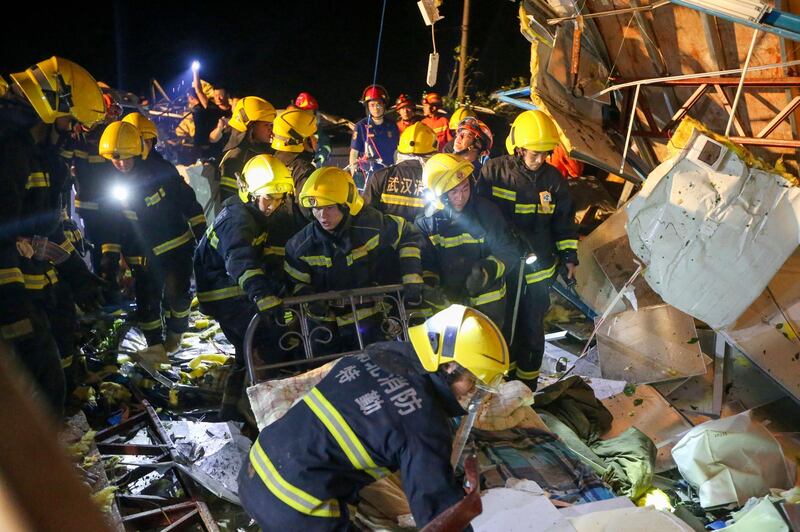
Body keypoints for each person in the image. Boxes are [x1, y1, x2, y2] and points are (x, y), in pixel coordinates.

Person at [238, 303, 509, 530]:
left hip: (253, 472)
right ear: (449, 365)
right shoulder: (424, 424)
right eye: (473, 380)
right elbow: (440, 515)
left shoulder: (372, 355)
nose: (473, 390)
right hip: (296, 509)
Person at [2, 56, 107, 415]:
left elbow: (47, 230)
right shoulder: (9, 154)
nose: (75, 130)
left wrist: (76, 274)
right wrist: (12, 304)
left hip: (32, 283)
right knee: (41, 382)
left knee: (58, 361)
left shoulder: (45, 159)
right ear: (49, 108)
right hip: (10, 292)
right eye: (71, 120)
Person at [194, 154, 305, 419]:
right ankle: (264, 413)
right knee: (261, 344)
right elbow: (239, 263)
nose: (272, 205)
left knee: (245, 352)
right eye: (267, 197)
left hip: (231, 290)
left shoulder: (252, 212)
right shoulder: (238, 220)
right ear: (249, 192)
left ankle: (230, 411)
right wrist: (263, 296)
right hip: (226, 293)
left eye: (278, 198)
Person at [478, 110, 579, 391]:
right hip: (503, 267)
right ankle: (502, 385)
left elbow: (564, 222)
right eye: (535, 153)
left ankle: (526, 390)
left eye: (545, 153)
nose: (541, 159)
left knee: (532, 332)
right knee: (501, 328)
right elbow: (480, 215)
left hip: (538, 270)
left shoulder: (553, 179)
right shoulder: (493, 172)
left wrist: (569, 257)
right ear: (519, 148)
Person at [284, 167, 425, 352]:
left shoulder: (372, 225)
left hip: (372, 324)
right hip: (325, 332)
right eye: (317, 208)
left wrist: (411, 278)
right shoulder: (300, 246)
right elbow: (295, 284)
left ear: (346, 205)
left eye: (329, 207)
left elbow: (408, 234)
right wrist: (310, 299)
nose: (323, 216)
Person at [99, 121, 206, 356]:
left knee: (177, 297)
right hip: (141, 256)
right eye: (116, 159)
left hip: (175, 249)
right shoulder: (111, 182)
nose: (121, 164)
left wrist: (202, 235)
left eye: (126, 158)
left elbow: (188, 202)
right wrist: (110, 255)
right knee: (147, 303)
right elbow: (112, 224)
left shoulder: (160, 171)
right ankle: (155, 348)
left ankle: (175, 335)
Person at [416, 153, 520, 328]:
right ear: (437, 194)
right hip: (446, 310)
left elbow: (509, 251)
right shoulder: (427, 223)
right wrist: (432, 287)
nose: (461, 197)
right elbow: (426, 263)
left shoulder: (487, 212)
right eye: (453, 192)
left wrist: (488, 270)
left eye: (465, 188)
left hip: (488, 307)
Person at [362, 122, 437, 222]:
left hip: (385, 236)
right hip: (421, 236)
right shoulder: (435, 180)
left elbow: (365, 215)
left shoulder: (381, 176)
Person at [218, 96, 277, 202]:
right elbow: (229, 202)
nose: (271, 130)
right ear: (251, 126)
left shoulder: (261, 151)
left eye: (272, 125)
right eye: (266, 125)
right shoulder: (236, 158)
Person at [348, 85, 399, 188]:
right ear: (367, 107)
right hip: (368, 177)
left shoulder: (392, 126)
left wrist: (398, 172)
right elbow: (354, 153)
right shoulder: (361, 126)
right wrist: (355, 176)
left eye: (379, 104)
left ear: (384, 105)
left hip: (388, 175)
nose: (376, 108)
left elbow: (396, 152)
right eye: (372, 105)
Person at [271, 108, 318, 220]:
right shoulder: (303, 169)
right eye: (312, 136)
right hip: (297, 233)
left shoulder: (271, 161)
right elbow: (310, 212)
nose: (316, 140)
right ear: (302, 141)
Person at [293, 91, 331, 167]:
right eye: (305, 112)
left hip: (310, 167)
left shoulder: (317, 129)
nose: (309, 116)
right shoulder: (290, 126)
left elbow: (325, 148)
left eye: (311, 112)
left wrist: (316, 162)